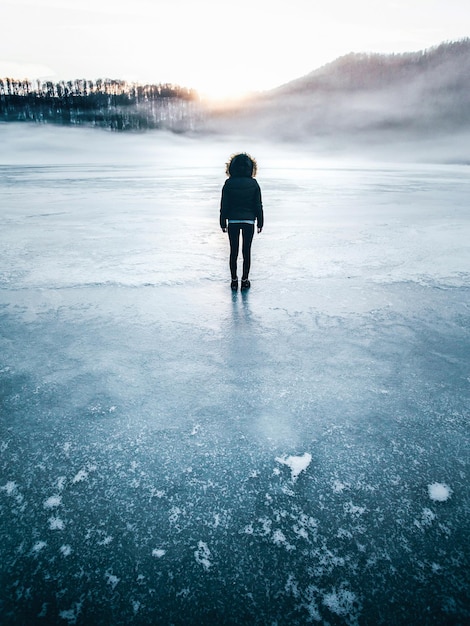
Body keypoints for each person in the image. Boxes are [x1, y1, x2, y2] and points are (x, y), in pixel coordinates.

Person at [220, 153, 264, 291]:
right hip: (249, 221)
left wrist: (222, 222)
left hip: (232, 221)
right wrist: (260, 222)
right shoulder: (254, 184)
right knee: (246, 251)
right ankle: (245, 280)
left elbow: (224, 205)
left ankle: (234, 281)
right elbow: (258, 205)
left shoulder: (228, 183)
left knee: (233, 252)